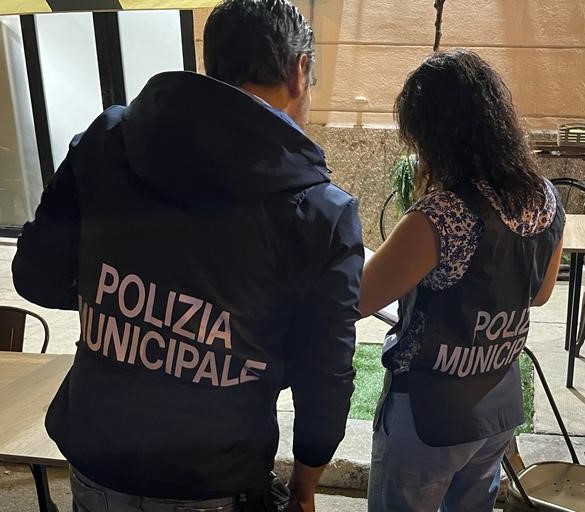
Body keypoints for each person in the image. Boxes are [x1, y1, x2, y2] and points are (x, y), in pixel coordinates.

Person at [12, 1, 363, 510]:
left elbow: (36, 276)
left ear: (210, 63)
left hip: (97, 457)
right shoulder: (319, 211)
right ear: (299, 70)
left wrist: (127, 309)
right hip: (212, 477)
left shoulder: (105, 142)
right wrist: (305, 487)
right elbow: (325, 375)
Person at [360, 49, 564, 512]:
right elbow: (540, 294)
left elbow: (359, 299)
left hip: (429, 415)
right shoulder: (546, 198)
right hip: (496, 405)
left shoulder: (441, 214)